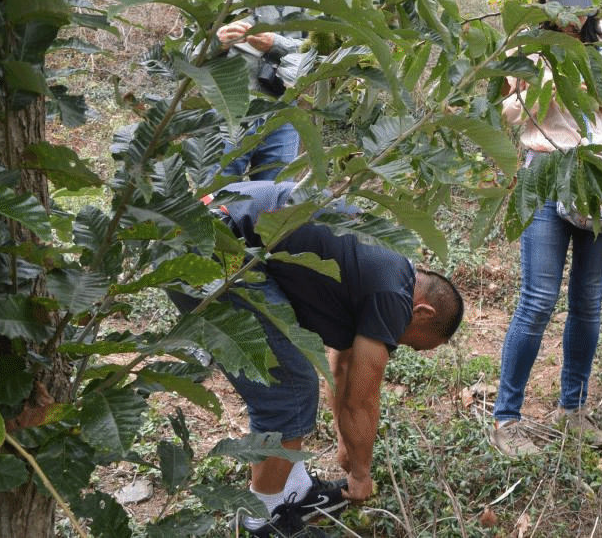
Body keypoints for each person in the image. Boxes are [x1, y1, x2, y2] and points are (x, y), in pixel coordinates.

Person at [178, 180, 464, 538]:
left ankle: (294, 491)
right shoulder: (393, 296)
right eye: (415, 345)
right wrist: (360, 474)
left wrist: (346, 443)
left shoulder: (387, 269)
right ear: (422, 312)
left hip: (202, 229)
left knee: (293, 377)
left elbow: (342, 368)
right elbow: (362, 401)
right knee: (289, 391)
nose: (399, 346)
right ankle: (260, 520)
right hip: (213, 246)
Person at [488, 0, 602, 456]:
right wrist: (544, 90)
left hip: (601, 175)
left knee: (588, 301)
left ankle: (572, 409)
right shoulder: (528, 44)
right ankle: (506, 419)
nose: (573, 19)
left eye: (581, 9)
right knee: (537, 299)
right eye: (564, 9)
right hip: (545, 170)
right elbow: (505, 110)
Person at [199, 0, 318, 181]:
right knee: (216, 195)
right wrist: (216, 43)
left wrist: (275, 43)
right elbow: (190, 53)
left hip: (281, 112)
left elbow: (318, 48)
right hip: (229, 113)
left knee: (273, 196)